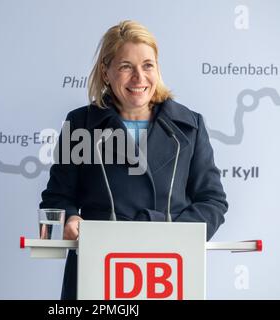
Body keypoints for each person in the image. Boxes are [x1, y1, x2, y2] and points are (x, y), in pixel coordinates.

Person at [39, 20, 228, 300]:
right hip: (98, 269)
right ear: (106, 72)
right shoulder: (80, 125)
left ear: (157, 69)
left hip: (168, 271)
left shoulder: (190, 126)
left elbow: (212, 201)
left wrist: (172, 237)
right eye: (126, 66)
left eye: (148, 65)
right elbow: (58, 196)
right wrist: (70, 218)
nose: (139, 77)